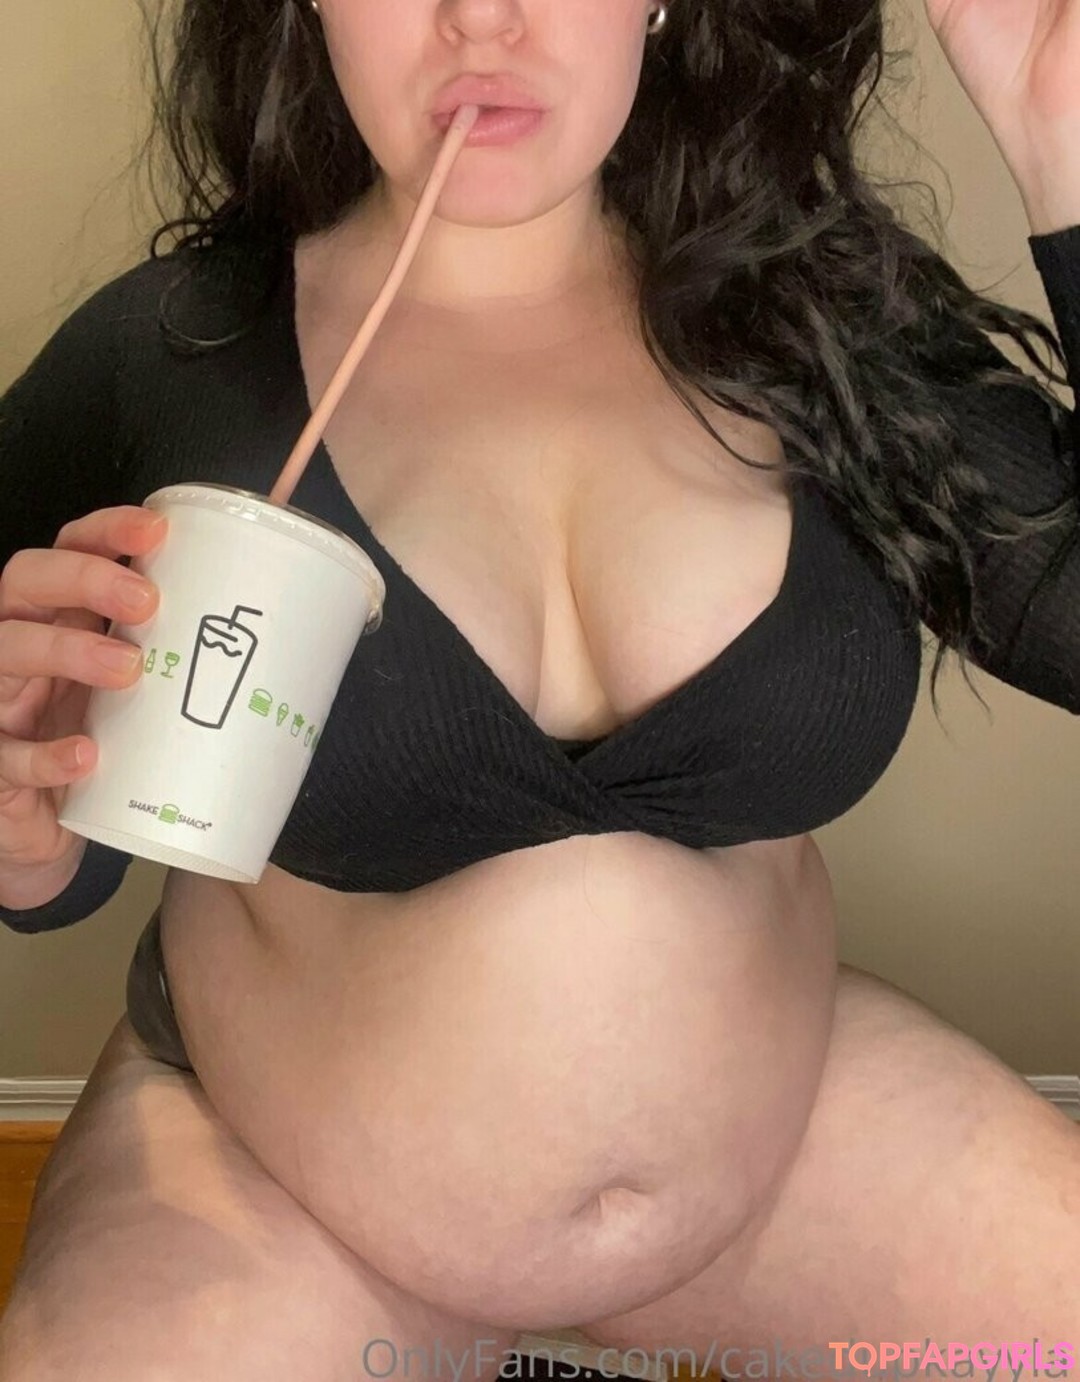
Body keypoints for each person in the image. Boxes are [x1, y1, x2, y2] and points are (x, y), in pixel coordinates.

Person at [0, 0, 1078, 1373]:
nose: (483, 20)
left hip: (783, 1146)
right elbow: (62, 817)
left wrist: (1066, 147)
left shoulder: (828, 320)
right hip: (270, 1176)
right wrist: (30, 837)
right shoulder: (173, 350)